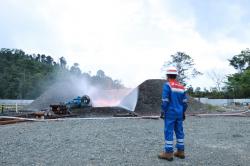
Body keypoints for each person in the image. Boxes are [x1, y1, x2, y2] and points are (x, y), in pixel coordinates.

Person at [158, 66, 188, 161]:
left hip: (170, 113)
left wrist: (163, 111)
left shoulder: (168, 85)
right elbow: (185, 102)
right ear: (176, 76)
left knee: (168, 131)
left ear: (167, 75)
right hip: (179, 113)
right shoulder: (181, 86)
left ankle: (168, 153)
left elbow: (165, 100)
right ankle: (180, 151)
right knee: (179, 131)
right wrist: (183, 112)